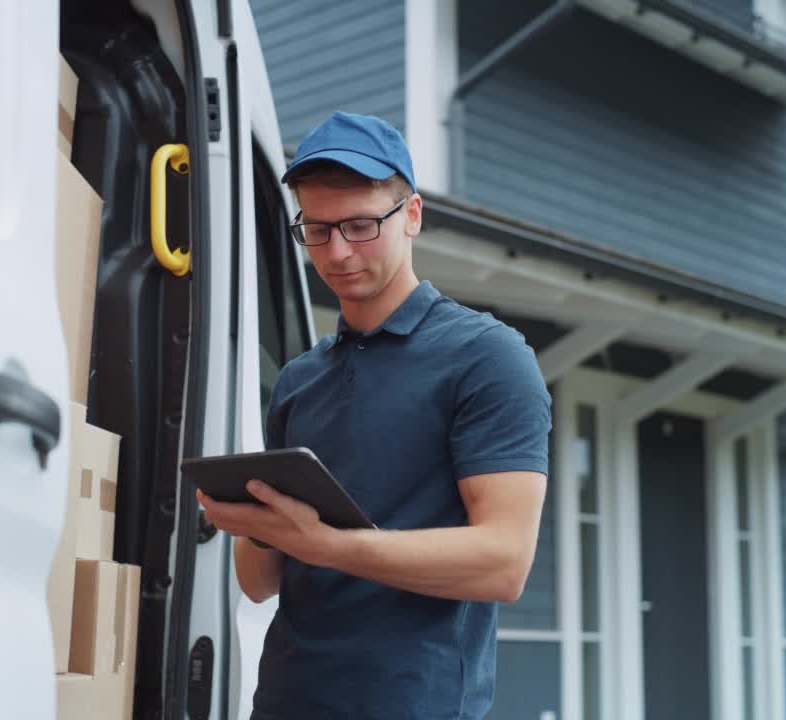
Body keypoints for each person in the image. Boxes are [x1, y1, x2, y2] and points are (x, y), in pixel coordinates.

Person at [196, 111, 551, 719]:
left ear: (411, 214)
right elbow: (258, 582)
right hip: (284, 702)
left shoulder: (488, 357)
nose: (336, 251)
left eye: (361, 225)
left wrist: (331, 546)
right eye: (316, 228)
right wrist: (255, 521)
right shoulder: (298, 380)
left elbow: (504, 563)